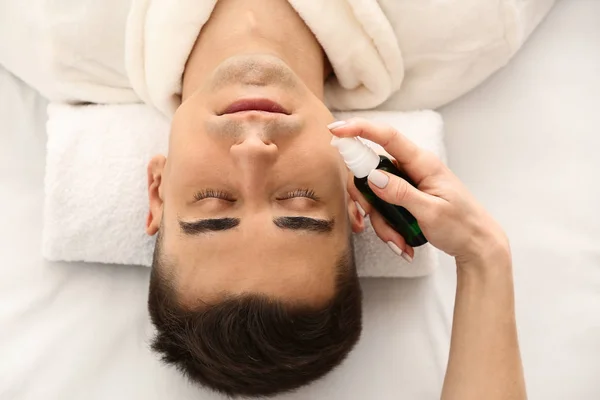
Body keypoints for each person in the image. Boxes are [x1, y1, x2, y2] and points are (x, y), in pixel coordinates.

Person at [0, 0, 527, 398]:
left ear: (157, 188)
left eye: (213, 201)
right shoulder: (471, 22)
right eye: (297, 201)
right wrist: (483, 257)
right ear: (355, 197)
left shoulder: (41, 26)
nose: (254, 150)